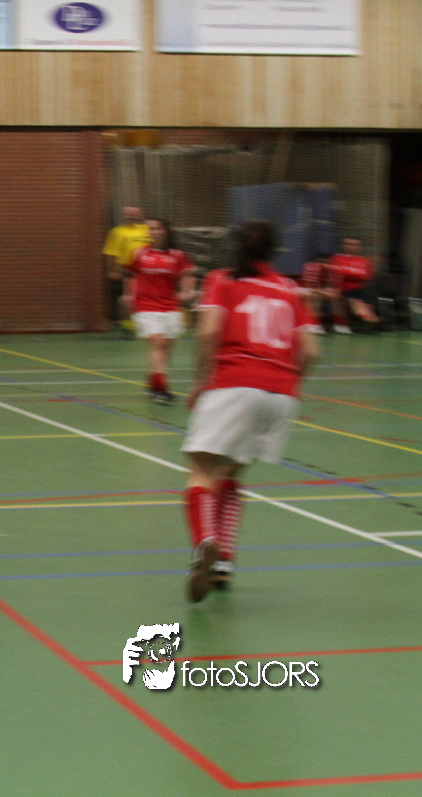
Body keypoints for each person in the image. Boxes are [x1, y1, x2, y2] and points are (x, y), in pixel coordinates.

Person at [181, 221, 320, 602]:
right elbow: (311, 351)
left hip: (235, 380)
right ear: (274, 251)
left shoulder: (223, 279)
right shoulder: (290, 289)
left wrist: (200, 381)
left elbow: (208, 332)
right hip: (280, 392)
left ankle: (205, 543)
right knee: (231, 471)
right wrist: (291, 384)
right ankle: (224, 560)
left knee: (201, 470)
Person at [121, 218, 197, 405]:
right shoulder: (139, 253)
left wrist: (186, 292)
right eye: (150, 229)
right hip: (145, 305)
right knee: (158, 343)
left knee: (166, 348)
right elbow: (130, 275)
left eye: (156, 229)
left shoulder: (177, 255)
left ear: (165, 231)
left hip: (170, 306)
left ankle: (153, 377)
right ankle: (160, 388)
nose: (153, 232)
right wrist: (128, 294)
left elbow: (187, 275)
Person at [103, 206, 152, 338]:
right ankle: (128, 327)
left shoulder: (148, 230)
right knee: (127, 299)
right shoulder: (117, 232)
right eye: (128, 213)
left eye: (134, 213)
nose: (131, 216)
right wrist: (111, 270)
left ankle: (148, 327)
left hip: (148, 270)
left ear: (140, 214)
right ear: (123, 215)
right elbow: (110, 252)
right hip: (127, 269)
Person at [328, 237, 378, 334]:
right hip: (341, 289)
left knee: (360, 300)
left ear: (359, 247)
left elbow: (366, 277)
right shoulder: (337, 258)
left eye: (354, 245)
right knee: (344, 298)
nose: (351, 247)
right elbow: (336, 274)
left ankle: (369, 318)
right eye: (348, 244)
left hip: (358, 289)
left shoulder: (364, 261)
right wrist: (353, 273)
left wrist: (348, 273)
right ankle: (341, 324)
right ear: (343, 245)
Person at [298, 252, 335, 332]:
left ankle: (340, 325)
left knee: (332, 298)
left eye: (327, 262)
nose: (325, 264)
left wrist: (328, 292)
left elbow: (330, 287)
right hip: (302, 289)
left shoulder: (331, 270)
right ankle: (312, 324)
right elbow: (310, 287)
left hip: (317, 290)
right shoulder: (312, 267)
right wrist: (325, 293)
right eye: (322, 262)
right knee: (314, 297)